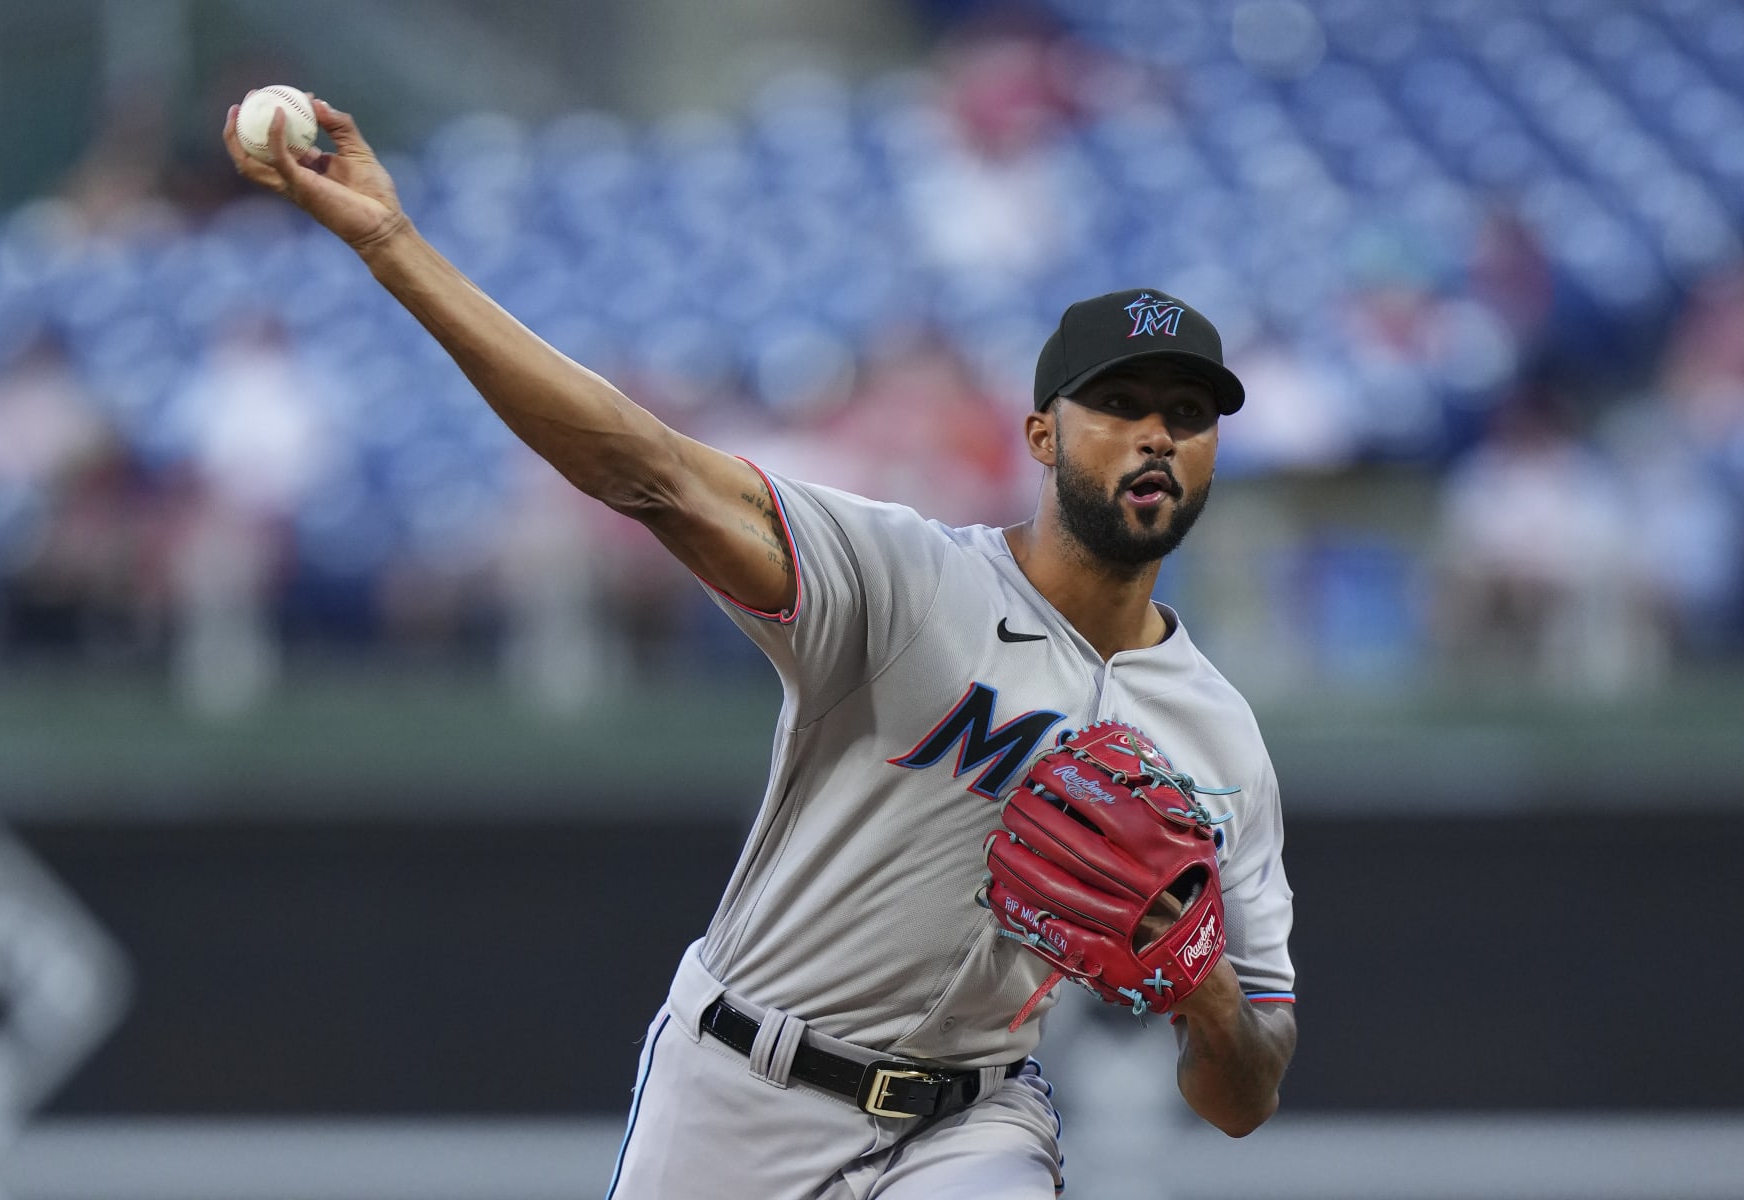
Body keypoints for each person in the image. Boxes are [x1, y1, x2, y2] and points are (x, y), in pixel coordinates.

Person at [224, 95, 1296, 1199]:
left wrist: (1204, 986)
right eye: (1117, 402)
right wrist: (394, 247)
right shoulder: (909, 580)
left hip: (975, 1123)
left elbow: (1244, 1094)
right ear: (1040, 433)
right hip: (743, 1085)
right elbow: (648, 471)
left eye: (1188, 412)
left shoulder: (1216, 736)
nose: (1157, 432)